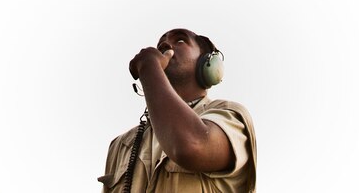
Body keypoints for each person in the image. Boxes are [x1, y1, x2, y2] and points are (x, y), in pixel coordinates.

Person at [98, 28, 257, 193]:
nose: (164, 46)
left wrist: (148, 66)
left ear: (207, 64)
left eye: (180, 40)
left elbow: (191, 145)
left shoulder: (232, 116)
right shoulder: (121, 144)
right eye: (160, 45)